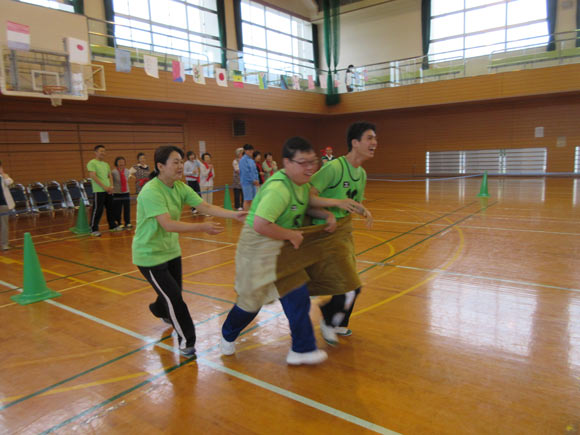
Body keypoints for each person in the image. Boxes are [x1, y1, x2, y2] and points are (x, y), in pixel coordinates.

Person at [220, 137, 339, 366]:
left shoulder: (302, 184)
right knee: (251, 304)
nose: (309, 167)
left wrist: (327, 215)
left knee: (297, 293)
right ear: (286, 162)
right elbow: (261, 224)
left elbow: (307, 205)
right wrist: (292, 234)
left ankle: (302, 349)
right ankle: (228, 332)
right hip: (258, 248)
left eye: (312, 162)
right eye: (302, 162)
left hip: (281, 246)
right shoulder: (278, 188)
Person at [132, 145, 246, 358]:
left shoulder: (180, 187)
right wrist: (202, 227)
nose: (180, 166)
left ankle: (158, 310)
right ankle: (187, 341)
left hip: (171, 251)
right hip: (149, 256)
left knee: (170, 294)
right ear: (160, 166)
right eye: (175, 162)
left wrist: (233, 215)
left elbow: (205, 207)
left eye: (181, 161)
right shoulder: (151, 191)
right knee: (175, 299)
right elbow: (168, 224)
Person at [310, 121, 376, 346]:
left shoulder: (362, 174)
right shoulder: (334, 168)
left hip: (344, 230)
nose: (374, 143)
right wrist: (335, 204)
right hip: (324, 231)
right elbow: (307, 197)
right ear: (355, 143)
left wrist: (363, 209)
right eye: (369, 138)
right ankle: (328, 320)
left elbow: (352, 202)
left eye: (375, 139)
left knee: (349, 282)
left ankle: (337, 322)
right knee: (350, 282)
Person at [87, 145, 121, 236]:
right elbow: (93, 176)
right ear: (96, 152)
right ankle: (93, 229)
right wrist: (104, 187)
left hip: (108, 190)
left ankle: (112, 226)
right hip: (99, 191)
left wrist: (111, 186)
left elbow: (109, 176)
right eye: (101, 151)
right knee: (97, 209)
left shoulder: (106, 164)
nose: (103, 153)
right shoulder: (92, 163)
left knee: (110, 208)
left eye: (104, 151)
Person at [111, 156, 133, 229]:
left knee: (127, 208)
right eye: (119, 161)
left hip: (126, 192)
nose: (121, 163)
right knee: (118, 209)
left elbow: (127, 178)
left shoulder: (127, 171)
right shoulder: (113, 172)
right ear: (116, 163)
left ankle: (128, 222)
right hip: (117, 193)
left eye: (123, 161)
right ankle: (119, 222)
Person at [239, 144, 259, 211]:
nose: (251, 151)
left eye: (252, 150)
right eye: (249, 150)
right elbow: (245, 172)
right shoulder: (243, 160)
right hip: (246, 182)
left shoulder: (251, 160)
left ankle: (251, 213)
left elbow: (255, 170)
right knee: (247, 199)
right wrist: (253, 180)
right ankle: (246, 215)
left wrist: (256, 179)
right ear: (245, 151)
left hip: (253, 183)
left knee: (252, 199)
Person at [0, 161, 14, 251]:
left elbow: (10, 182)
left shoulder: (4, 177)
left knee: (4, 225)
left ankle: (4, 244)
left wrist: (3, 174)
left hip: (3, 204)